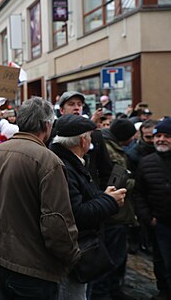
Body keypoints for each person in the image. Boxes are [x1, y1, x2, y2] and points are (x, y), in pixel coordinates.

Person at [0, 97, 81, 300]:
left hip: (0, 260)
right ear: (47, 125)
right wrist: (72, 256)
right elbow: (56, 223)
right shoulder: (49, 162)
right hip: (34, 269)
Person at [49, 114, 125, 299]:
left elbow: (82, 198)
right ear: (83, 140)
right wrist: (110, 201)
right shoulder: (65, 166)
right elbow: (77, 213)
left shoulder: (68, 160)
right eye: (90, 137)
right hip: (73, 253)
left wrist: (103, 196)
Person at [92, 118, 138, 300]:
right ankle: (105, 294)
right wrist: (135, 182)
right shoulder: (111, 149)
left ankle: (112, 291)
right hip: (113, 214)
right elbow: (114, 182)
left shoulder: (107, 143)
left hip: (114, 212)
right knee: (111, 258)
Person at [133, 118, 171, 300]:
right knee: (162, 261)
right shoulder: (146, 162)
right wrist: (148, 217)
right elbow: (139, 193)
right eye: (159, 136)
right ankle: (164, 291)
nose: (161, 139)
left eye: (167, 136)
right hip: (161, 223)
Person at [57, 91, 114, 188]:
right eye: (71, 104)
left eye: (79, 104)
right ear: (61, 110)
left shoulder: (95, 135)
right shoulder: (55, 135)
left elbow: (105, 169)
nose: (76, 107)